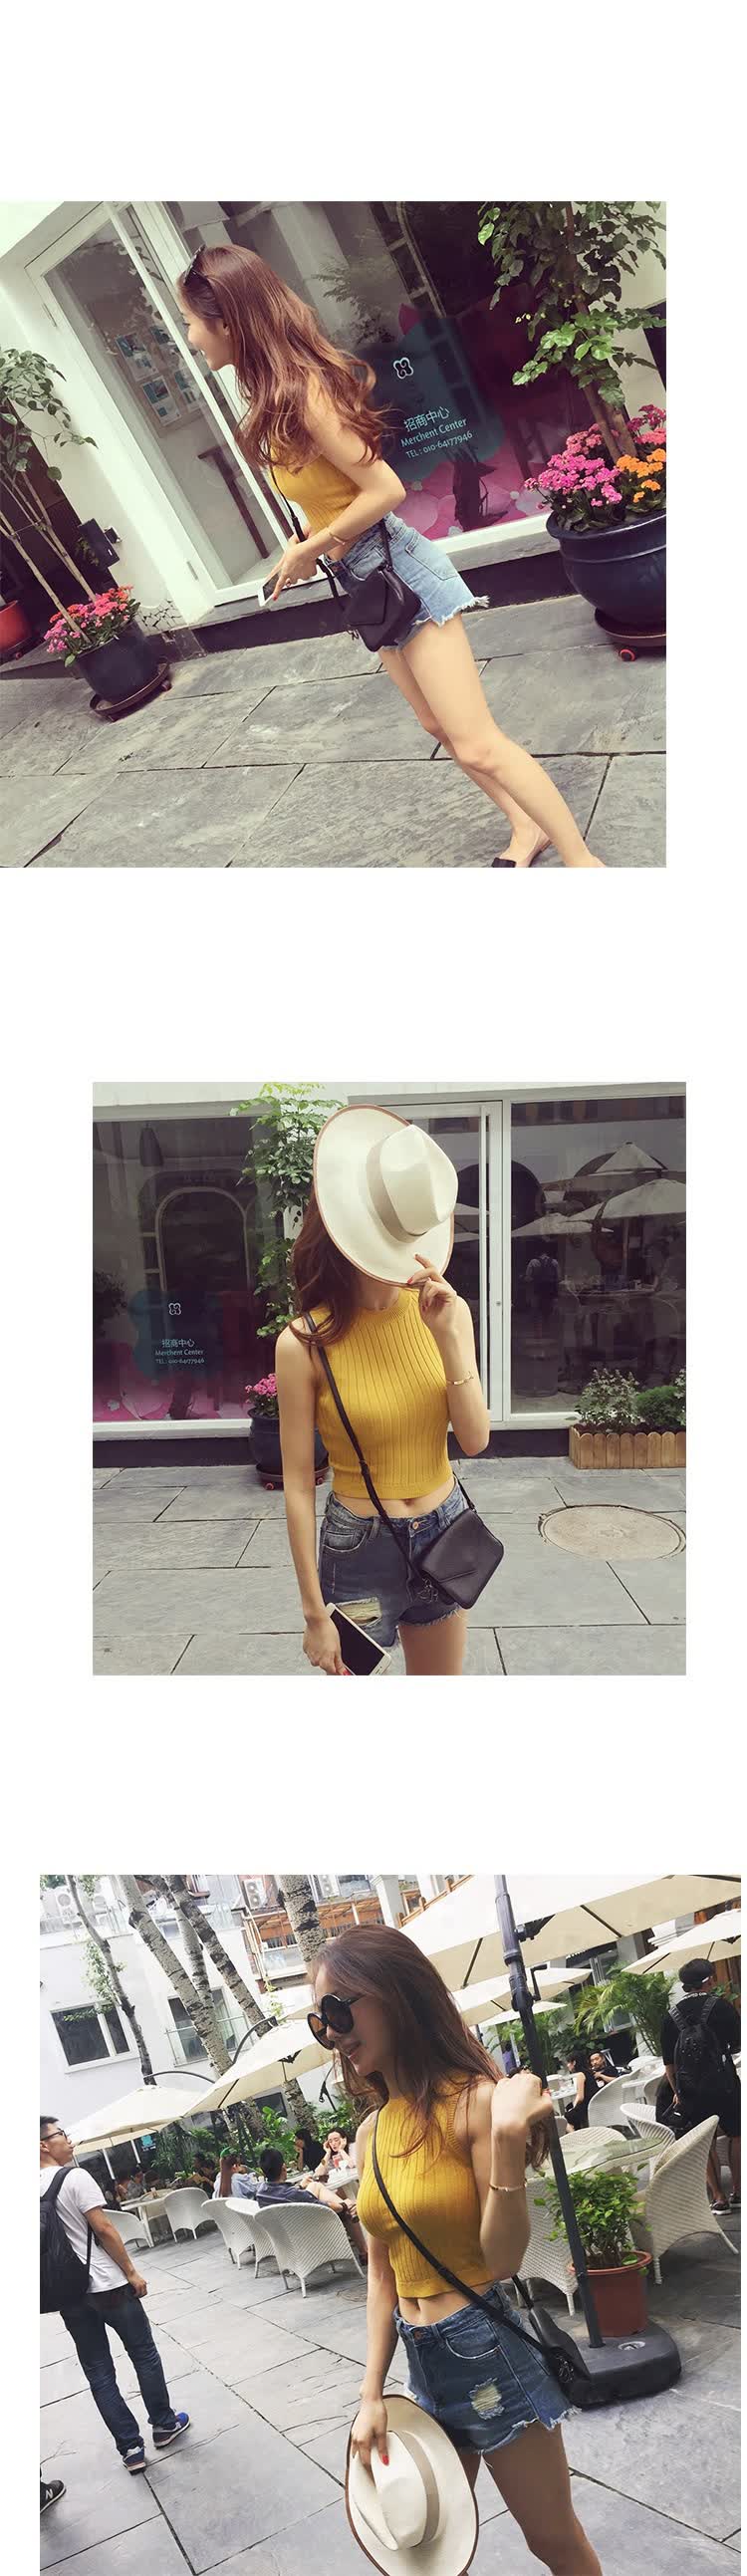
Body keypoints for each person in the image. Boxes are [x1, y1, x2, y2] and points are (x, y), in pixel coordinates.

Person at [177, 245, 605, 871]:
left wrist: (311, 548)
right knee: (437, 726)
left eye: (192, 321)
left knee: (478, 742)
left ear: (228, 322)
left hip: (400, 568)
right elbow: (331, 495)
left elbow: (385, 489)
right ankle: (525, 827)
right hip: (365, 580)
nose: (190, 337)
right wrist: (307, 541)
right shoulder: (273, 399)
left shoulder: (305, 394)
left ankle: (583, 861)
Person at [307, 1925, 602, 2576]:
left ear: (394, 1992)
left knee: (553, 2541)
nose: (332, 2034)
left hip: (486, 2349)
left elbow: (502, 2261)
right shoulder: (370, 2133)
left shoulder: (476, 2103)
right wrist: (370, 2394)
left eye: (337, 2010)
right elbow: (381, 2274)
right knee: (426, 2557)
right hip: (423, 2364)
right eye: (319, 2023)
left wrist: (508, 2139)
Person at [276, 1106, 491, 1678]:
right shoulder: (303, 1343)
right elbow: (297, 1482)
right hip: (359, 1549)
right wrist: (313, 1613)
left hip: (444, 1532)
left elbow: (474, 1440)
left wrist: (451, 1339)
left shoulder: (446, 1313)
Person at [40, 2118, 190, 2472]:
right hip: (107, 2285)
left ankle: (130, 2449)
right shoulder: (74, 2177)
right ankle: (164, 2424)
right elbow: (104, 2228)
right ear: (43, 2144)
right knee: (143, 2353)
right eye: (62, 2134)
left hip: (68, 2294)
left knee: (99, 2372)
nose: (69, 2141)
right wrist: (131, 2272)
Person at [661, 1960, 741, 2210]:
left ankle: (719, 2198)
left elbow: (669, 2065)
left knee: (705, 2142)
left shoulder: (671, 2016)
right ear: (709, 1981)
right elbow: (737, 2045)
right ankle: (739, 2191)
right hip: (724, 2084)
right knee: (736, 2135)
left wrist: (678, 2092)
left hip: (691, 2090)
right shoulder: (722, 2007)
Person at [256, 2147, 368, 2263]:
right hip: (309, 2231)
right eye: (331, 2140)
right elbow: (324, 2206)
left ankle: (351, 2215)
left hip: (287, 2236)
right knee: (344, 2210)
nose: (333, 2143)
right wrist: (344, 2204)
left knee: (315, 2186)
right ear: (283, 2167)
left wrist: (300, 2186)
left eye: (336, 2139)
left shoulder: (261, 2193)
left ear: (263, 2172)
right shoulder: (293, 2194)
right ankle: (364, 2250)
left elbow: (286, 2196)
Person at [563, 2048, 600, 2130]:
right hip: (593, 2103)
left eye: (568, 2062)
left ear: (574, 2062)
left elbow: (580, 2097)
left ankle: (574, 2134)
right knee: (570, 2110)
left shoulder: (580, 2075)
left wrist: (574, 2108)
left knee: (564, 2119)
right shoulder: (589, 2072)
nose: (567, 2065)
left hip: (585, 2107)